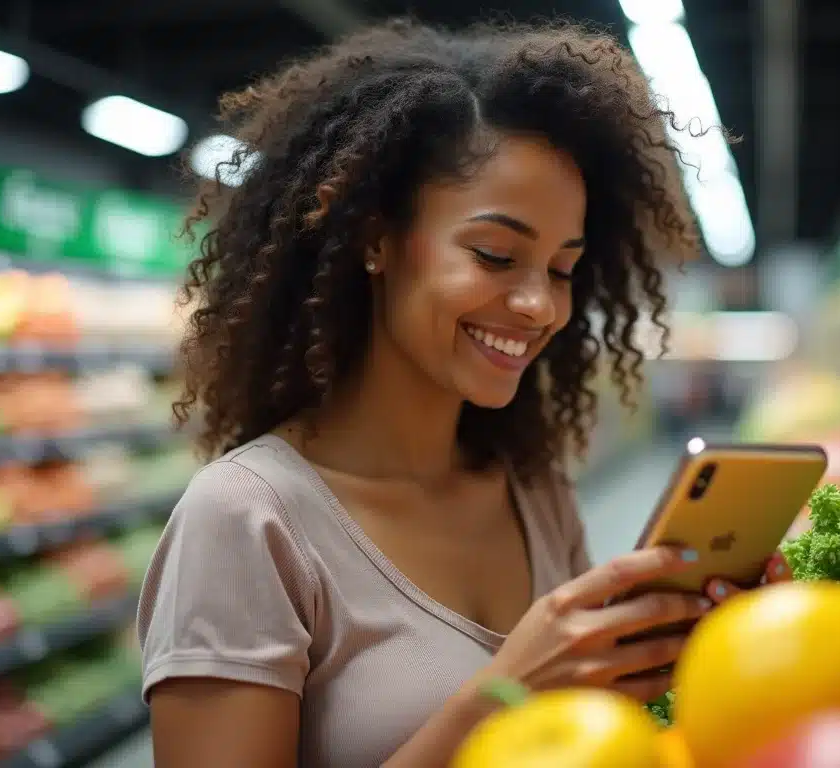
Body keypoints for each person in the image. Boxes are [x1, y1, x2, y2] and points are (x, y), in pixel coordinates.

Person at [138, 18, 743, 768]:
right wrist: (499, 697)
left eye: (561, 269)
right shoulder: (247, 521)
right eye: (495, 255)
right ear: (374, 239)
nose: (539, 306)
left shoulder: (534, 493)